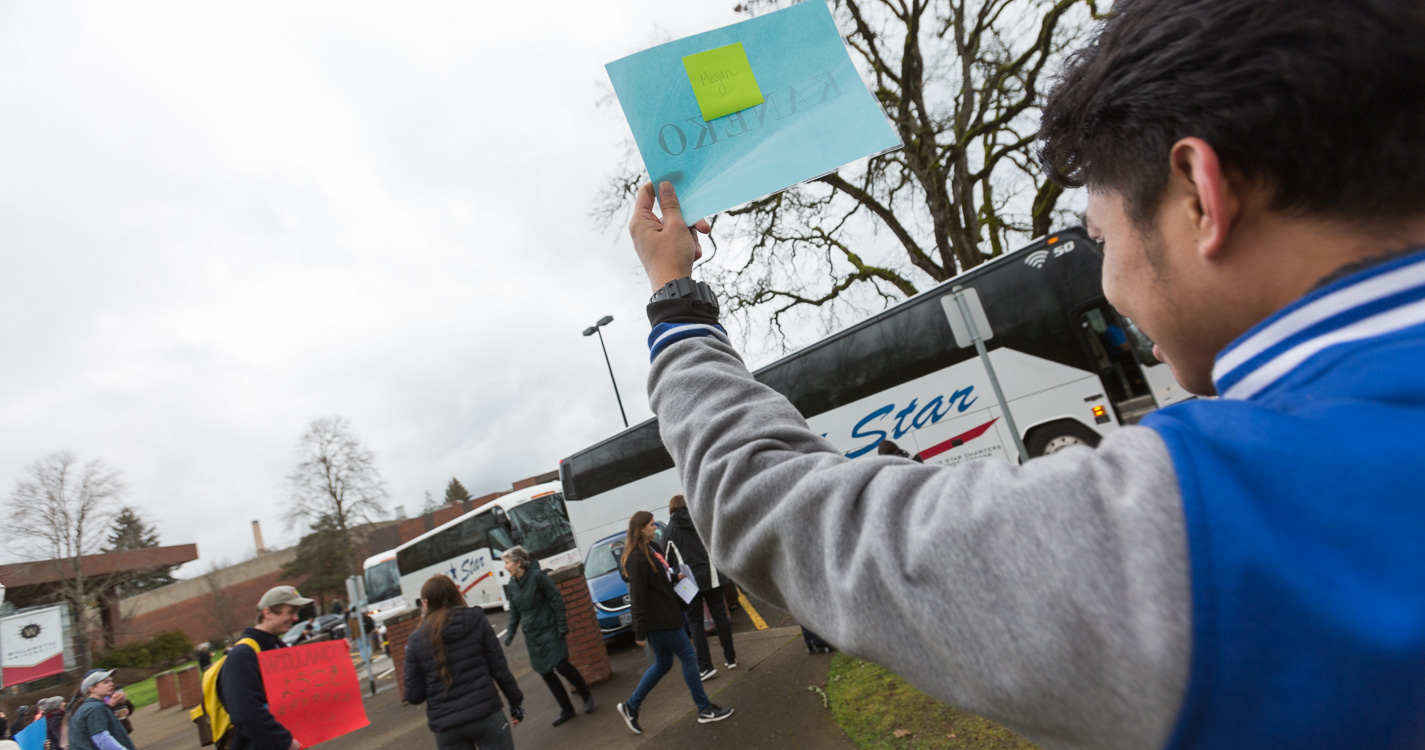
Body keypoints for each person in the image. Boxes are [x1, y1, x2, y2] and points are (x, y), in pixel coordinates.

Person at [624, 0, 1425, 746]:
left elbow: (770, 509)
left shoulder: (1209, 526)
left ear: (1200, 197)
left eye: (1101, 238)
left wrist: (676, 303)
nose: (1108, 283)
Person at [615, 511, 732, 735]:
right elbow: (638, 596)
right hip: (659, 620)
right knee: (688, 656)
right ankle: (704, 708)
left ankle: (631, 706)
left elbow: (661, 576)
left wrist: (674, 576)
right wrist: (639, 632)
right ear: (641, 529)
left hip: (666, 614)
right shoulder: (637, 558)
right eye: (650, 525)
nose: (654, 528)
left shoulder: (652, 549)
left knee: (663, 664)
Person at [404, 575, 524, 750]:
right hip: (486, 714)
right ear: (455, 595)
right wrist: (516, 703)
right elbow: (499, 668)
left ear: (426, 603)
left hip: (447, 726)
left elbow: (414, 696)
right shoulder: (476, 619)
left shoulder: (416, 640)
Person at [500, 546, 594, 726]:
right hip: (532, 636)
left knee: (562, 666)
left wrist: (561, 625)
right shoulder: (512, 585)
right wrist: (510, 633)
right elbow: (514, 612)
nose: (505, 567)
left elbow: (556, 599)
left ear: (518, 563)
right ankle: (566, 709)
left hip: (550, 629)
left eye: (507, 563)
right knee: (545, 672)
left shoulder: (537, 577)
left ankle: (585, 694)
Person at [218, 585, 311, 750]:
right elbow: (245, 713)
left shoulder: (277, 647)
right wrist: (283, 742)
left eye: (297, 612)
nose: (296, 618)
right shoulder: (243, 655)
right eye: (290, 612)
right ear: (267, 613)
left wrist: (340, 657)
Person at [661, 495, 736, 681]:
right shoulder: (701, 522)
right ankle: (731, 658)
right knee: (720, 617)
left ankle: (706, 667)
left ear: (671, 510)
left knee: (695, 622)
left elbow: (666, 558)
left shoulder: (670, 532)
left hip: (689, 582)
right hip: (712, 576)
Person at [66, 670, 133, 750]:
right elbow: (102, 739)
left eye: (111, 681)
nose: (112, 684)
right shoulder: (95, 708)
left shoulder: (88, 706)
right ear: (92, 689)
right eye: (106, 682)